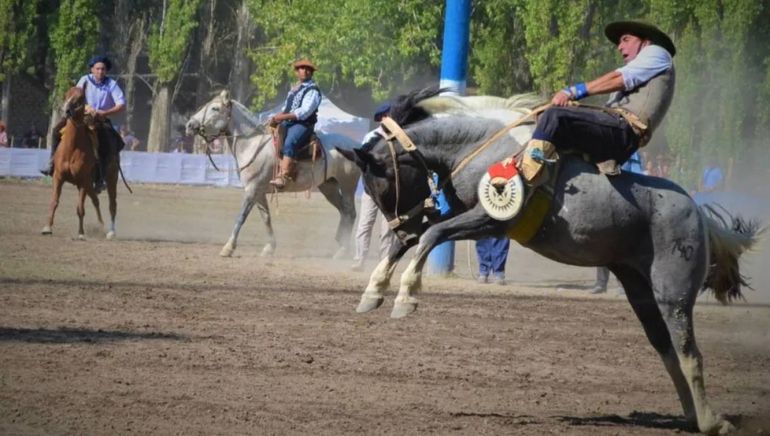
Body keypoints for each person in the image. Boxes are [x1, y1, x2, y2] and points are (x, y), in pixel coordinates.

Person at [513, 21, 676, 195]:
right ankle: (531, 174)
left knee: (556, 116)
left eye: (625, 39)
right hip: (617, 129)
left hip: (625, 131)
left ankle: (522, 179)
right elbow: (607, 110)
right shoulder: (638, 67)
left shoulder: (657, 53)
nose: (620, 47)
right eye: (619, 43)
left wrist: (573, 92)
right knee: (548, 117)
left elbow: (620, 78)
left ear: (646, 41)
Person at [41, 55, 126, 193]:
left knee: (108, 143)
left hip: (100, 120)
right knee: (56, 131)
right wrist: (86, 108)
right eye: (97, 69)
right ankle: (52, 163)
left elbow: (121, 105)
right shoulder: (84, 80)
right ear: (92, 69)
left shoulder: (112, 84)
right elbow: (75, 97)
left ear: (106, 71)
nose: (100, 72)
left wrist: (103, 113)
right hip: (80, 117)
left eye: (103, 69)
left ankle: (100, 178)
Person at [351, 102, 399, 271]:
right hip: (371, 190)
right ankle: (359, 259)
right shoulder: (371, 137)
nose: (392, 118)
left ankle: (384, 262)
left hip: (392, 191)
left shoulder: (400, 137)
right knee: (365, 224)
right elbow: (362, 162)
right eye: (389, 115)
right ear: (382, 118)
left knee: (389, 228)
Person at [591, 150, 645, 295]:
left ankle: (624, 284)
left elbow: (637, 174)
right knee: (602, 242)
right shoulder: (607, 149)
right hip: (607, 198)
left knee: (623, 246)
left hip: (625, 199)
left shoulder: (632, 153)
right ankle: (601, 284)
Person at [268, 59, 322, 189]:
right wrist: (276, 118)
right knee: (271, 137)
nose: (305, 71)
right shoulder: (294, 90)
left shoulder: (313, 90)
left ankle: (284, 176)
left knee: (290, 142)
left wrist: (282, 117)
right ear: (297, 72)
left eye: (308, 69)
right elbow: (287, 108)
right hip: (288, 122)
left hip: (303, 124)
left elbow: (303, 112)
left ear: (312, 73)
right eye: (302, 68)